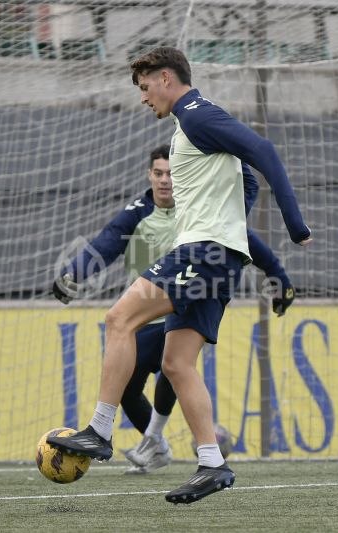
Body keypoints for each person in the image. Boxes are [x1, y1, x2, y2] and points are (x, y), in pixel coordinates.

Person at [48, 46, 311, 504]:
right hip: (217, 257)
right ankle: (212, 463)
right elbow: (246, 180)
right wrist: (236, 233)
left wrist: (294, 223)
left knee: (119, 320)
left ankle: (100, 431)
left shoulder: (195, 115)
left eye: (146, 88)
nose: (145, 98)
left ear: (166, 78)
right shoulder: (193, 125)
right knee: (176, 363)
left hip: (202, 253)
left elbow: (263, 150)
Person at [53, 144, 297, 475]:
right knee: (142, 378)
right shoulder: (138, 211)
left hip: (171, 309)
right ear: (149, 175)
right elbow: (105, 243)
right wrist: (76, 272)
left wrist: (279, 277)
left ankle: (149, 439)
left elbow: (246, 239)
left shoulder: (196, 212)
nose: (165, 180)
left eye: (170, 173)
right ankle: (174, 446)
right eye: (158, 173)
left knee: (170, 360)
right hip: (144, 315)